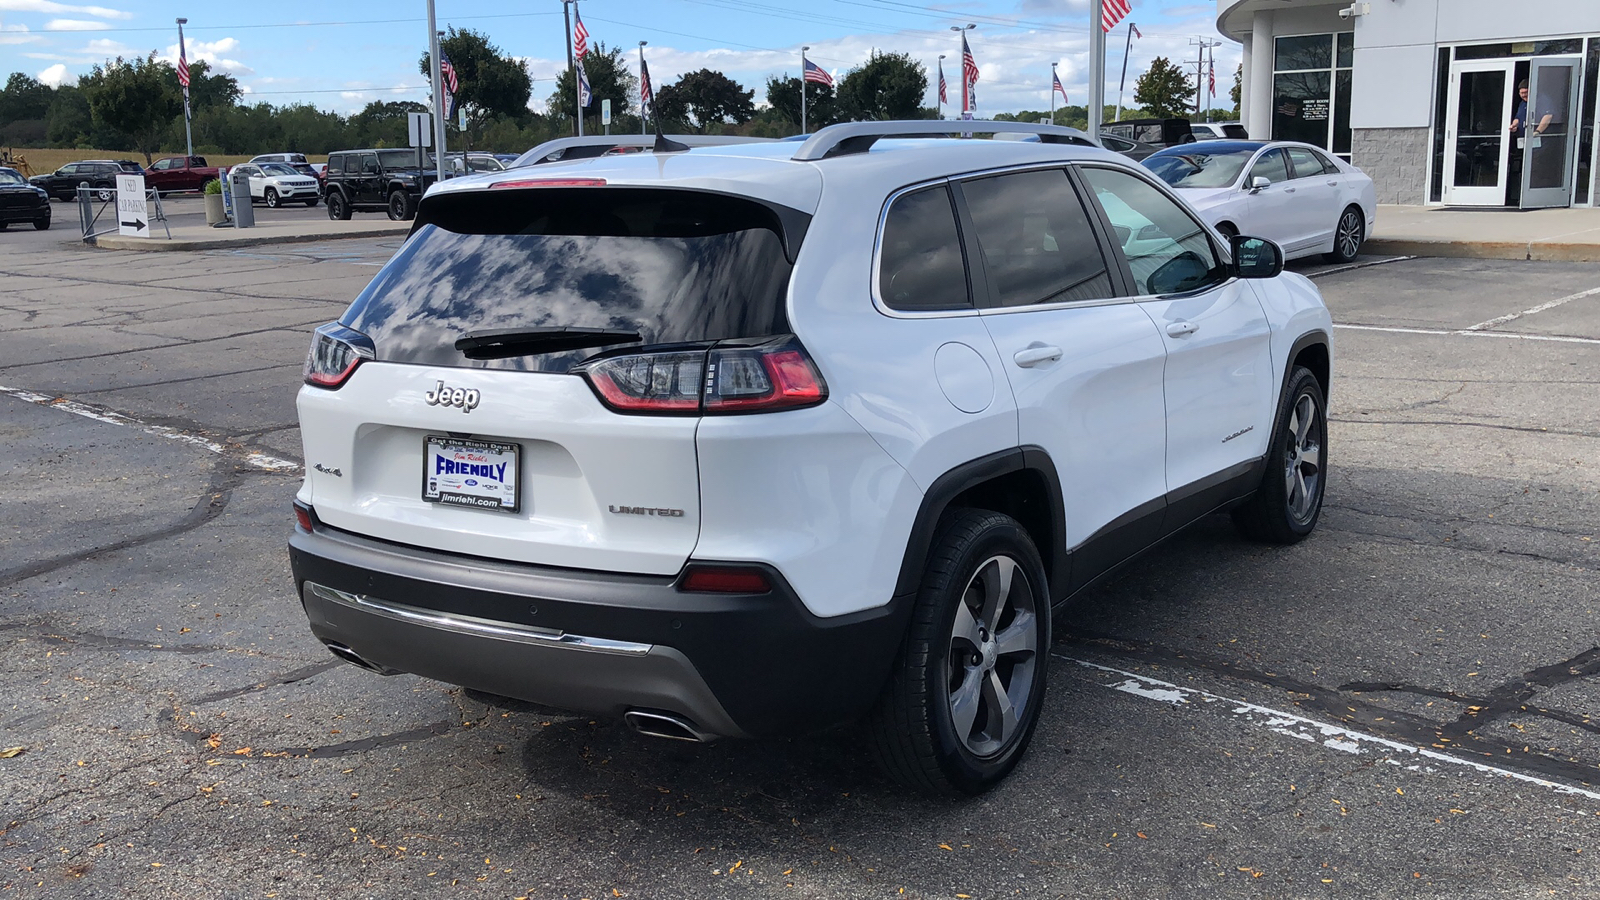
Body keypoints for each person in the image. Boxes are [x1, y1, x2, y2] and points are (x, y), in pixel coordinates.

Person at [1507, 79, 1553, 206]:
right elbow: (1518, 117)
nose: (1523, 96)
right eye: (1521, 93)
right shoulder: (1523, 103)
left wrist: (1537, 131)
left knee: (1536, 168)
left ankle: (1536, 198)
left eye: (1526, 93)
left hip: (1540, 142)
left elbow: (1548, 116)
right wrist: (1513, 125)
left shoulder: (1542, 100)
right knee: (1523, 167)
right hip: (1524, 141)